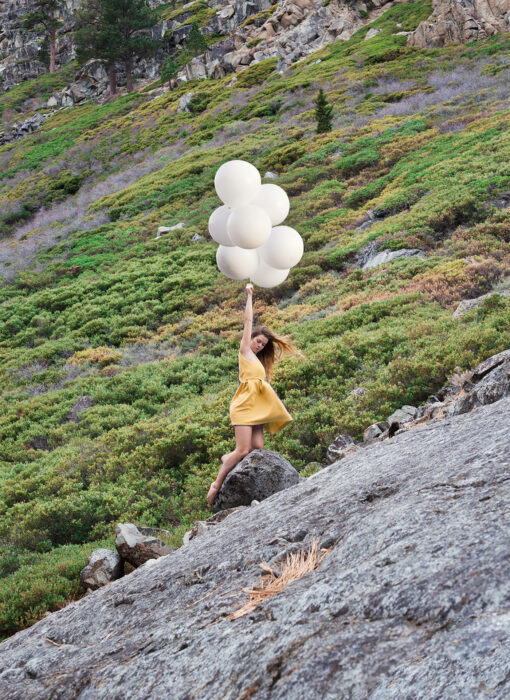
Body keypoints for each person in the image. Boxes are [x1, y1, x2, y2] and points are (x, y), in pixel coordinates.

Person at [207, 283, 300, 505]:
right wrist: (249, 296)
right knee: (243, 450)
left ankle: (228, 458)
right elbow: (248, 321)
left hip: (256, 406)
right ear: (251, 339)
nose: (259, 346)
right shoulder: (245, 351)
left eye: (263, 344)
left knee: (257, 447)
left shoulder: (257, 361)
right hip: (243, 405)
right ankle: (216, 485)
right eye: (258, 341)